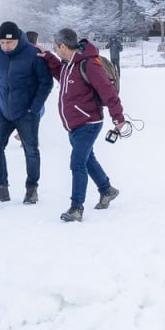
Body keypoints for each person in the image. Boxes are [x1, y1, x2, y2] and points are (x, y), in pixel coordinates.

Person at [40, 29, 126, 223]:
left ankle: (76, 208)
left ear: (63, 46)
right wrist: (47, 57)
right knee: (87, 160)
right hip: (74, 125)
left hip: (89, 122)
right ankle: (107, 190)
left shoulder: (88, 65)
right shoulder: (69, 64)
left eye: (55, 48)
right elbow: (61, 75)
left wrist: (118, 117)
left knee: (77, 162)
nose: (55, 50)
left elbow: (108, 91)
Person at [0, 21, 52, 205]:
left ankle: (31, 189)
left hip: (26, 112)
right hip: (3, 111)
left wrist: (34, 107)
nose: (5, 46)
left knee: (31, 150)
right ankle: (1, 187)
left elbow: (46, 82)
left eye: (8, 43)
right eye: (2, 42)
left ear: (17, 40)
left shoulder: (32, 54)